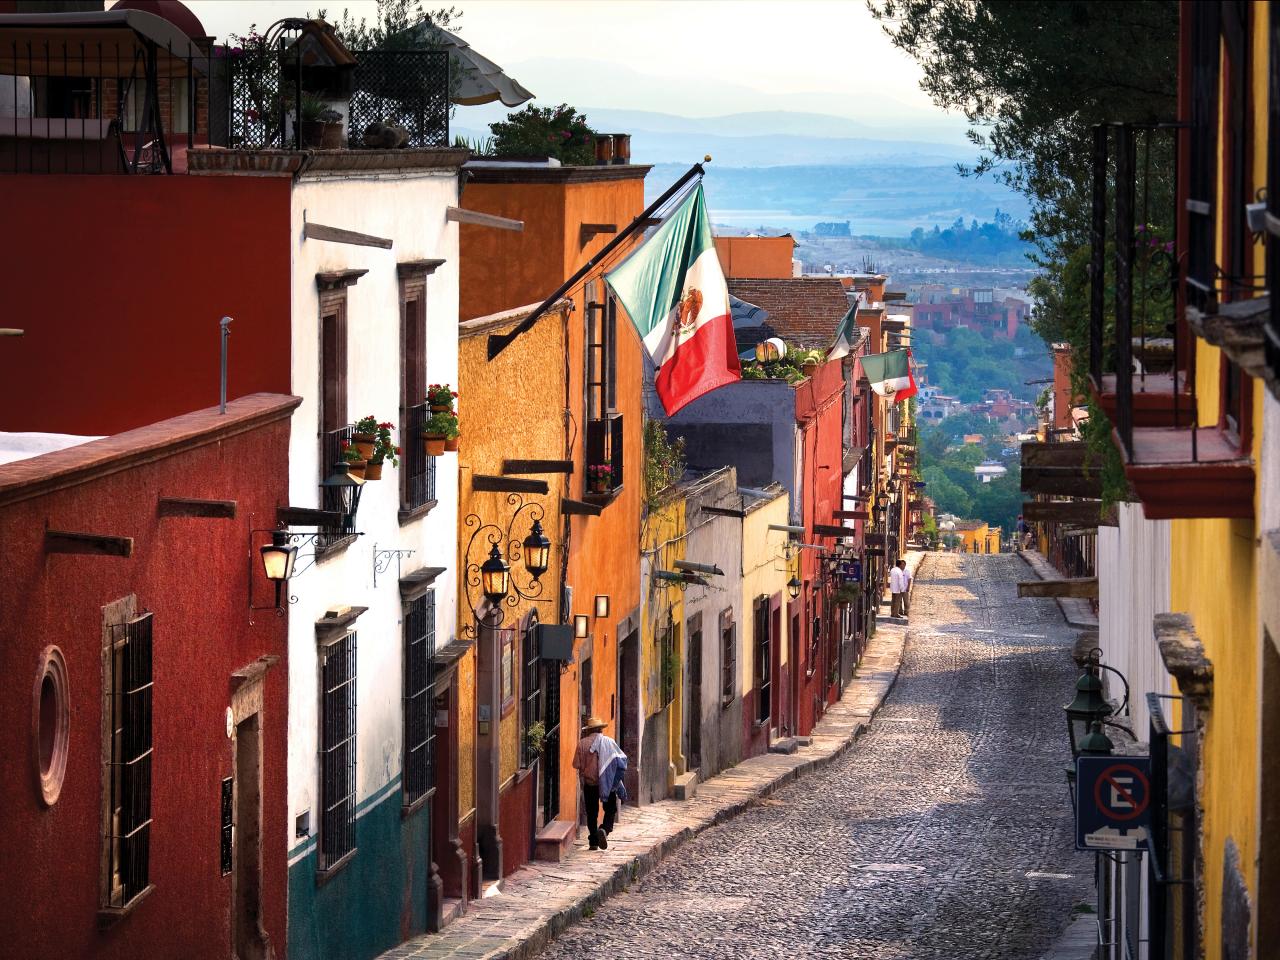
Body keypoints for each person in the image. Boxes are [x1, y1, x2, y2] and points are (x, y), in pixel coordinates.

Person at [572, 716, 627, 850]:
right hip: (607, 784)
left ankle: (593, 842)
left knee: (592, 813)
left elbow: (576, 764)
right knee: (610, 809)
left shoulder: (582, 744)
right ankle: (604, 830)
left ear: (589, 730)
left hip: (590, 784)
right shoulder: (609, 742)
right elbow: (620, 760)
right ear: (601, 729)